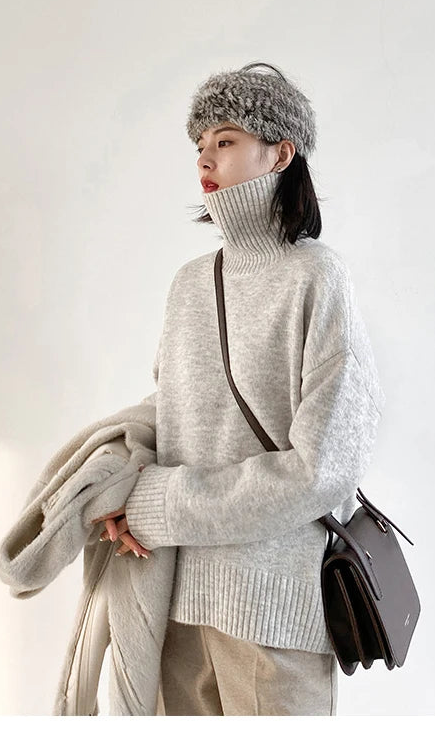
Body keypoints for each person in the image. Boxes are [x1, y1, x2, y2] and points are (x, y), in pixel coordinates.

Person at [90, 62, 386, 715]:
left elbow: (324, 468)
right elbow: (171, 410)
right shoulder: (190, 283)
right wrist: (118, 485)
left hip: (273, 605)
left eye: (225, 140)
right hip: (176, 601)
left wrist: (160, 505)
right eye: (199, 145)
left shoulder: (317, 277)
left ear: (280, 153)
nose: (206, 158)